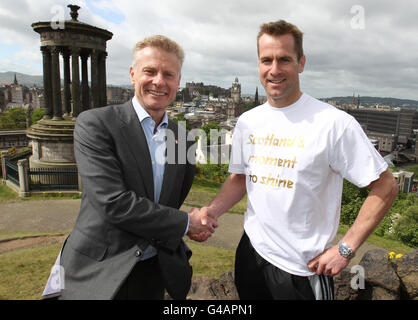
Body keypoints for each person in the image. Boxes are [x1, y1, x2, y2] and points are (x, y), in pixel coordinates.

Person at [196, 20, 398, 300]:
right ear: (258, 64)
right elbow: (240, 178)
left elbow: (386, 187)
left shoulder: (335, 124)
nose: (274, 69)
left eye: (284, 60)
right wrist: (213, 211)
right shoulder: (247, 122)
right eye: (267, 60)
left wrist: (345, 248)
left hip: (302, 271)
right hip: (250, 254)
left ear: (301, 63)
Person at [42, 35, 217, 300]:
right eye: (150, 71)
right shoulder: (96, 124)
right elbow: (113, 203)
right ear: (133, 74)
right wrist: (184, 224)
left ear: (178, 82)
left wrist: (188, 225)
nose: (159, 81)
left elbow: (170, 201)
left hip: (153, 270)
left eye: (168, 74)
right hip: (99, 269)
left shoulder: (186, 137)